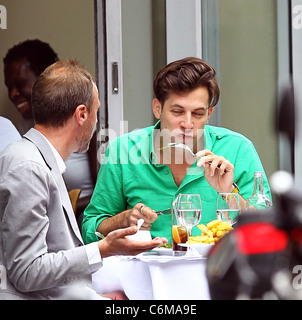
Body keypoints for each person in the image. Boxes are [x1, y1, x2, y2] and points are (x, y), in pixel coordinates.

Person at [0, 59, 167, 300]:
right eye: (96, 111)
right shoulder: (29, 167)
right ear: (81, 114)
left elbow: (49, 270)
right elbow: (27, 272)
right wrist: (103, 248)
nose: (97, 121)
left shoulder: (38, 160)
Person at [82, 57, 272, 245]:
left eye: (198, 114)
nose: (187, 124)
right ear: (157, 108)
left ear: (209, 114)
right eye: (177, 112)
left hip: (216, 271)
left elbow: (267, 230)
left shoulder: (238, 149)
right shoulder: (123, 150)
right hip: (144, 273)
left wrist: (229, 193)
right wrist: (123, 220)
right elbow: (90, 229)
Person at [3, 39, 97, 214]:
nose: (13, 94)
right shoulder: (20, 129)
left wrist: (70, 204)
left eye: (21, 84)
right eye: (9, 87)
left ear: (44, 82)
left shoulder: (84, 123)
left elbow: (104, 195)